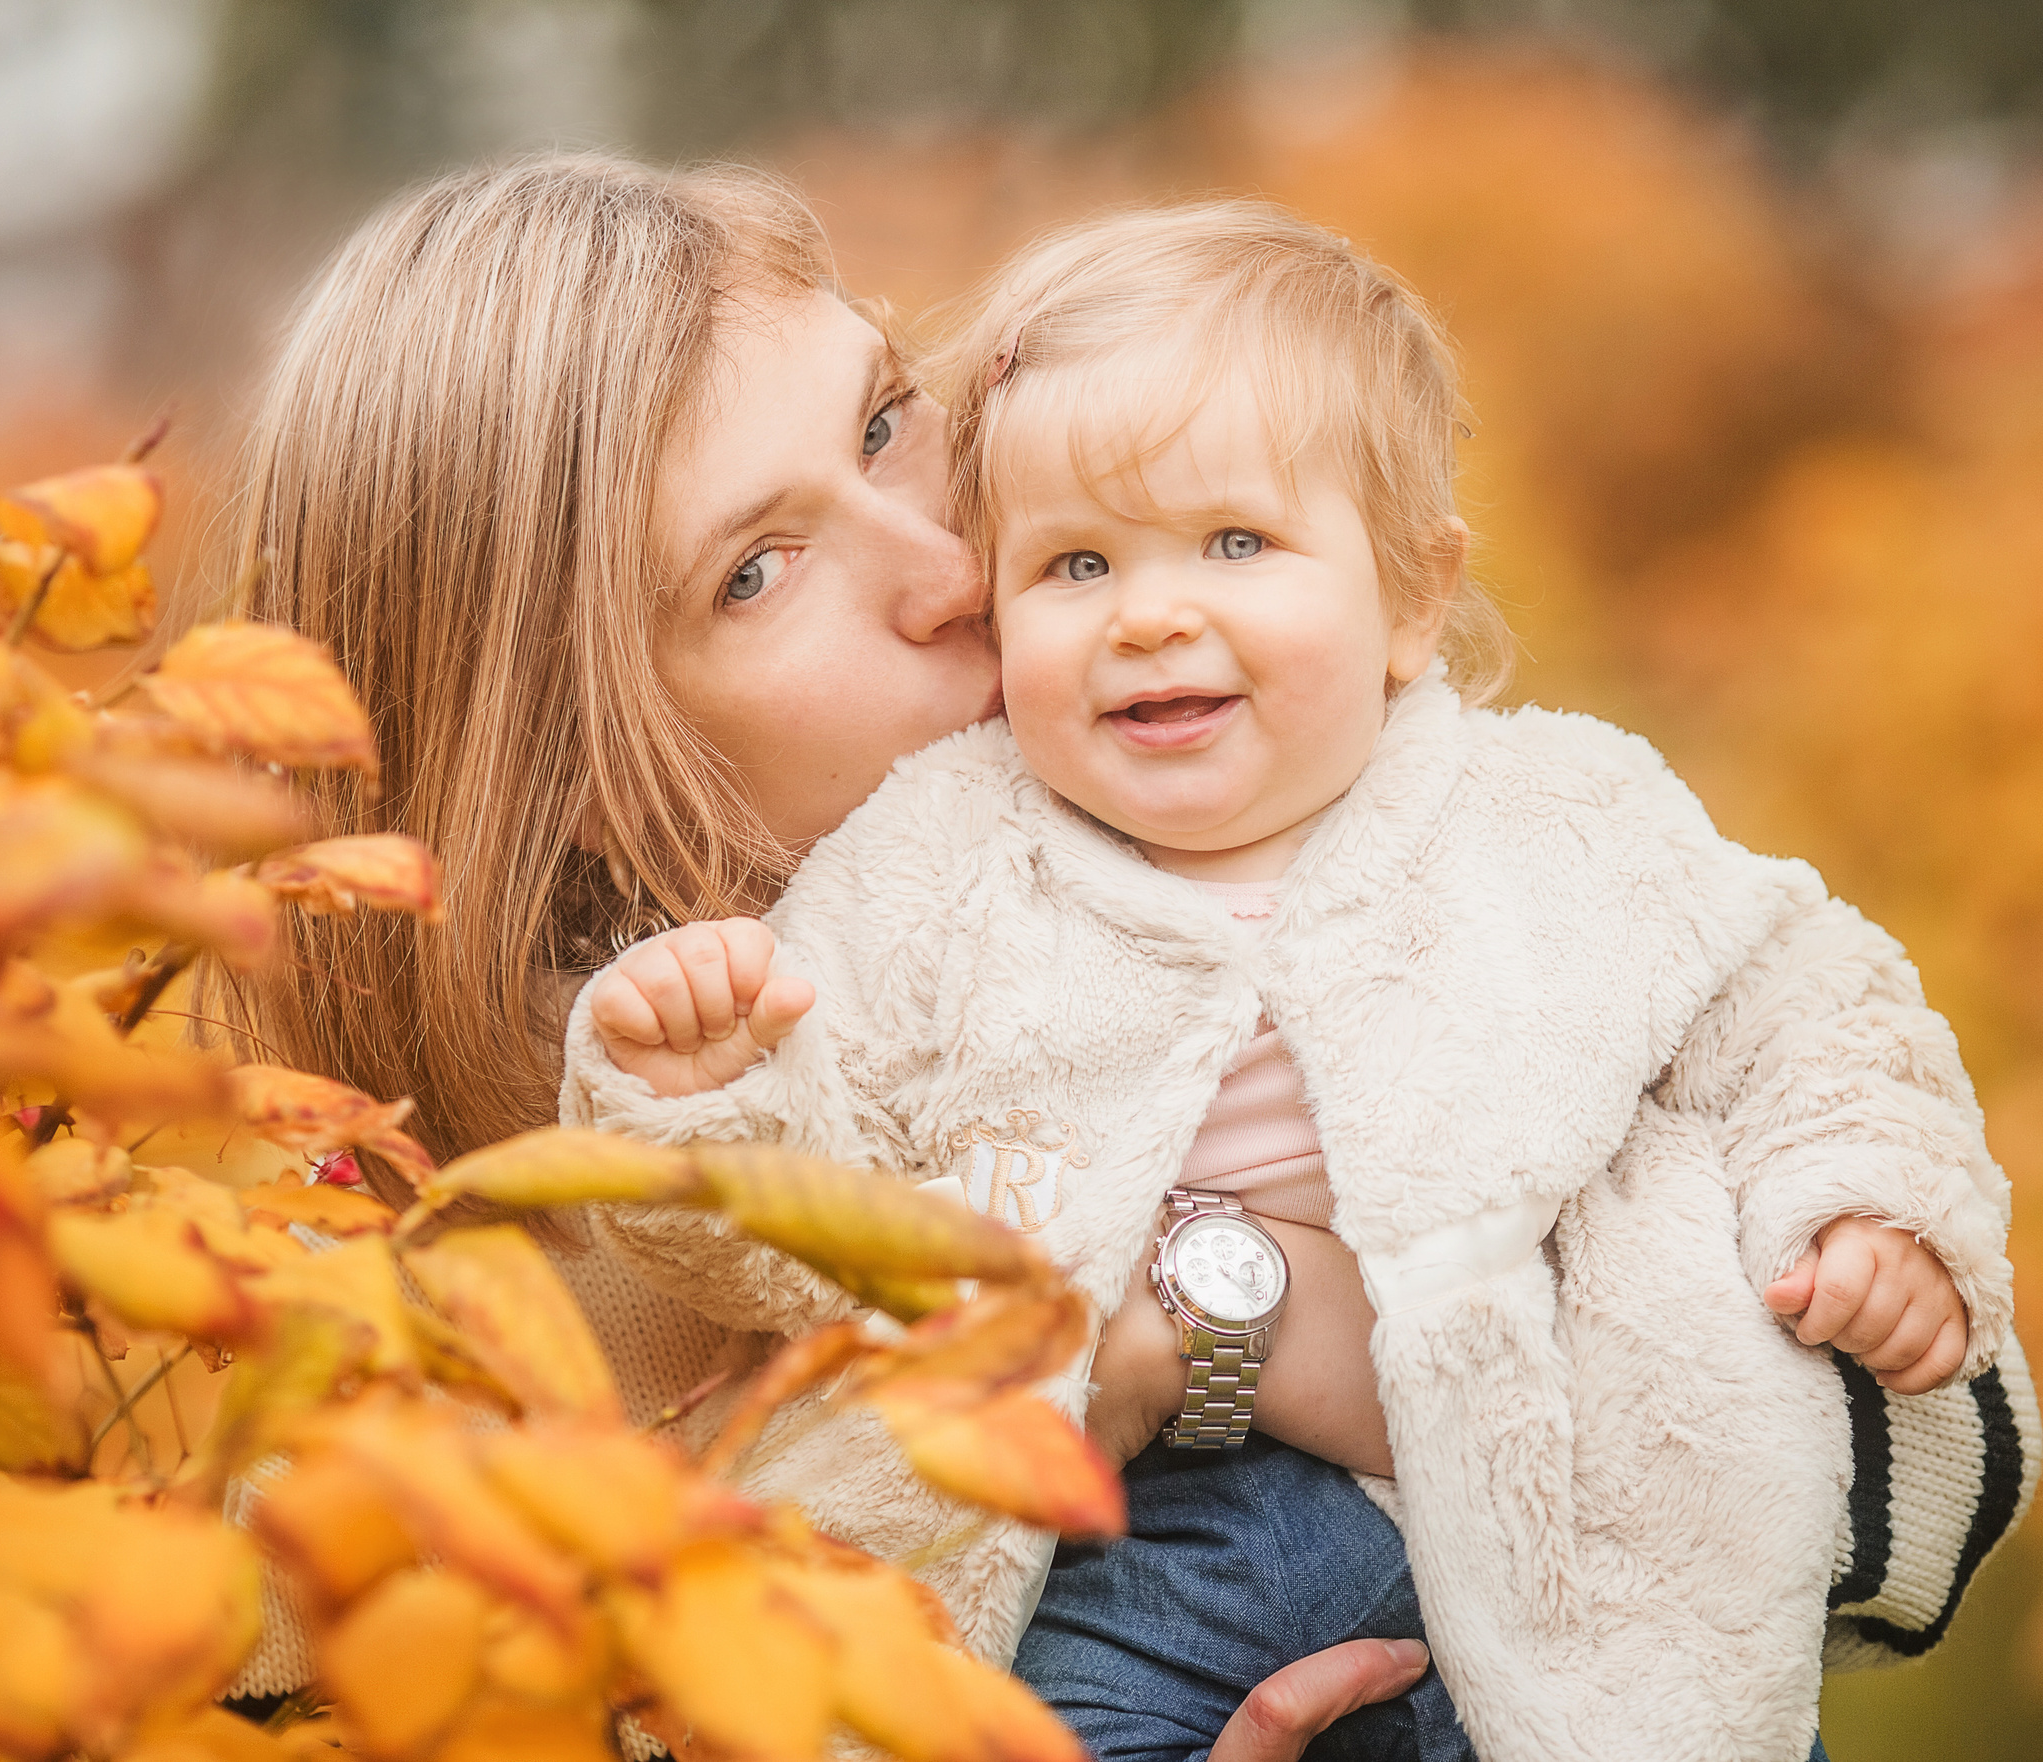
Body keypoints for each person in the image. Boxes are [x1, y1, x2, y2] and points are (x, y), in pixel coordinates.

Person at [564, 203, 2031, 1761]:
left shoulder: (1552, 815)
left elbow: (1809, 1000)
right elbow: (809, 1183)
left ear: (1409, 600)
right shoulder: (940, 857)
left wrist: (1865, 1202)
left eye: (1237, 544)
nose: (1149, 611)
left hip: (1537, 1539)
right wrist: (704, 1091)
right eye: (1074, 561)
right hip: (1135, 1549)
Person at [214, 154, 1425, 1750]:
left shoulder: (1312, 793)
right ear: (569, 778)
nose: (945, 574)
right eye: (755, 571)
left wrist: (1214, 1309)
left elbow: (1843, 1459)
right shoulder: (454, 1389)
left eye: (880, 423)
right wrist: (1091, 1366)